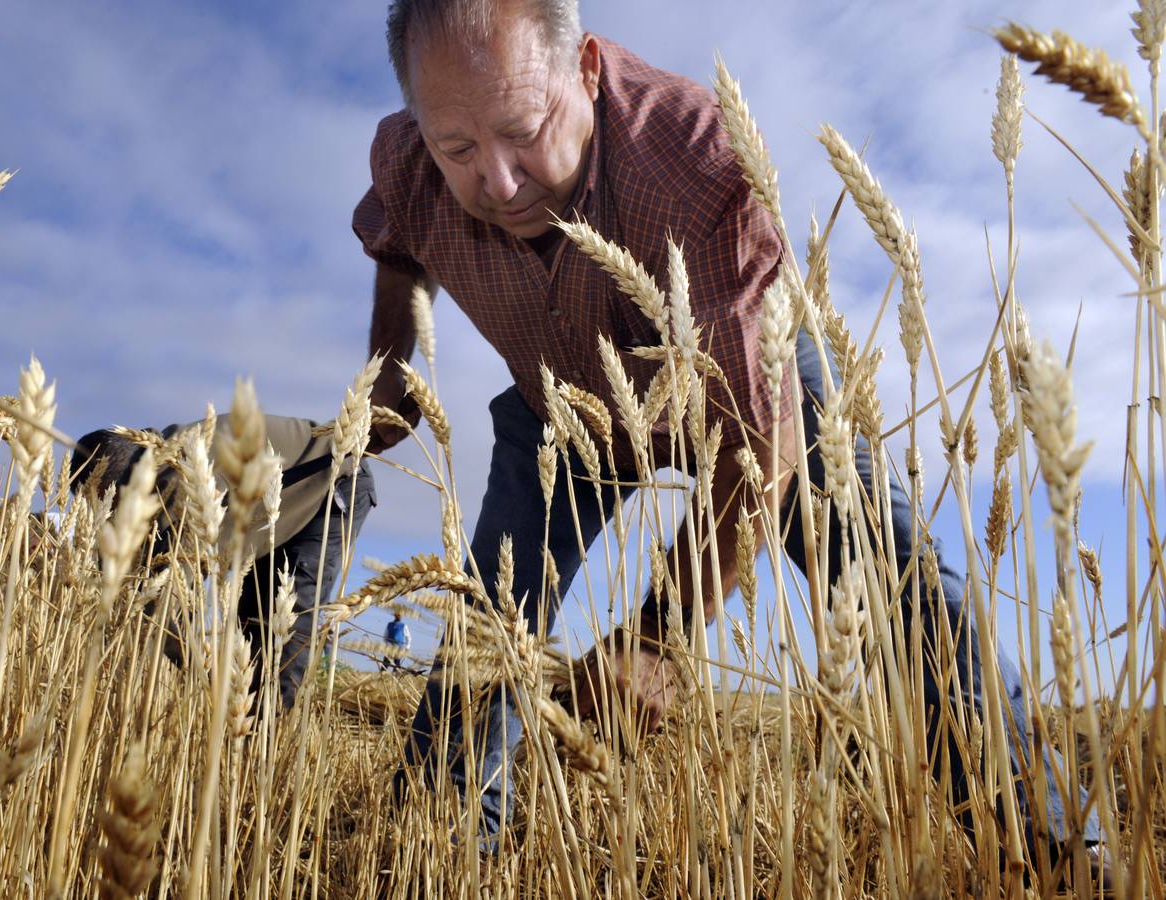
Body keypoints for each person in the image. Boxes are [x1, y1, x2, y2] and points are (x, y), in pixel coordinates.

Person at [354, 0, 1107, 879]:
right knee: (489, 612)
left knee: (898, 583)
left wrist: (659, 632)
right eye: (458, 149)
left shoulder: (691, 157)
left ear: (586, 70)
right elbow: (396, 235)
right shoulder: (404, 154)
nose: (502, 182)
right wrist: (390, 361)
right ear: (420, 122)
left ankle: (1052, 852)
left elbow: (759, 436)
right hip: (559, 398)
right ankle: (444, 848)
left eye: (525, 131)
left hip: (755, 383)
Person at [72, 414, 376, 709]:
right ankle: (244, 722)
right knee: (251, 627)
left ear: (121, 481)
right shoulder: (157, 462)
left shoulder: (174, 480)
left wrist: (201, 675)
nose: (109, 516)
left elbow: (167, 602)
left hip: (333, 481)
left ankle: (270, 727)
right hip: (271, 508)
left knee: (285, 624)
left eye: (109, 504)